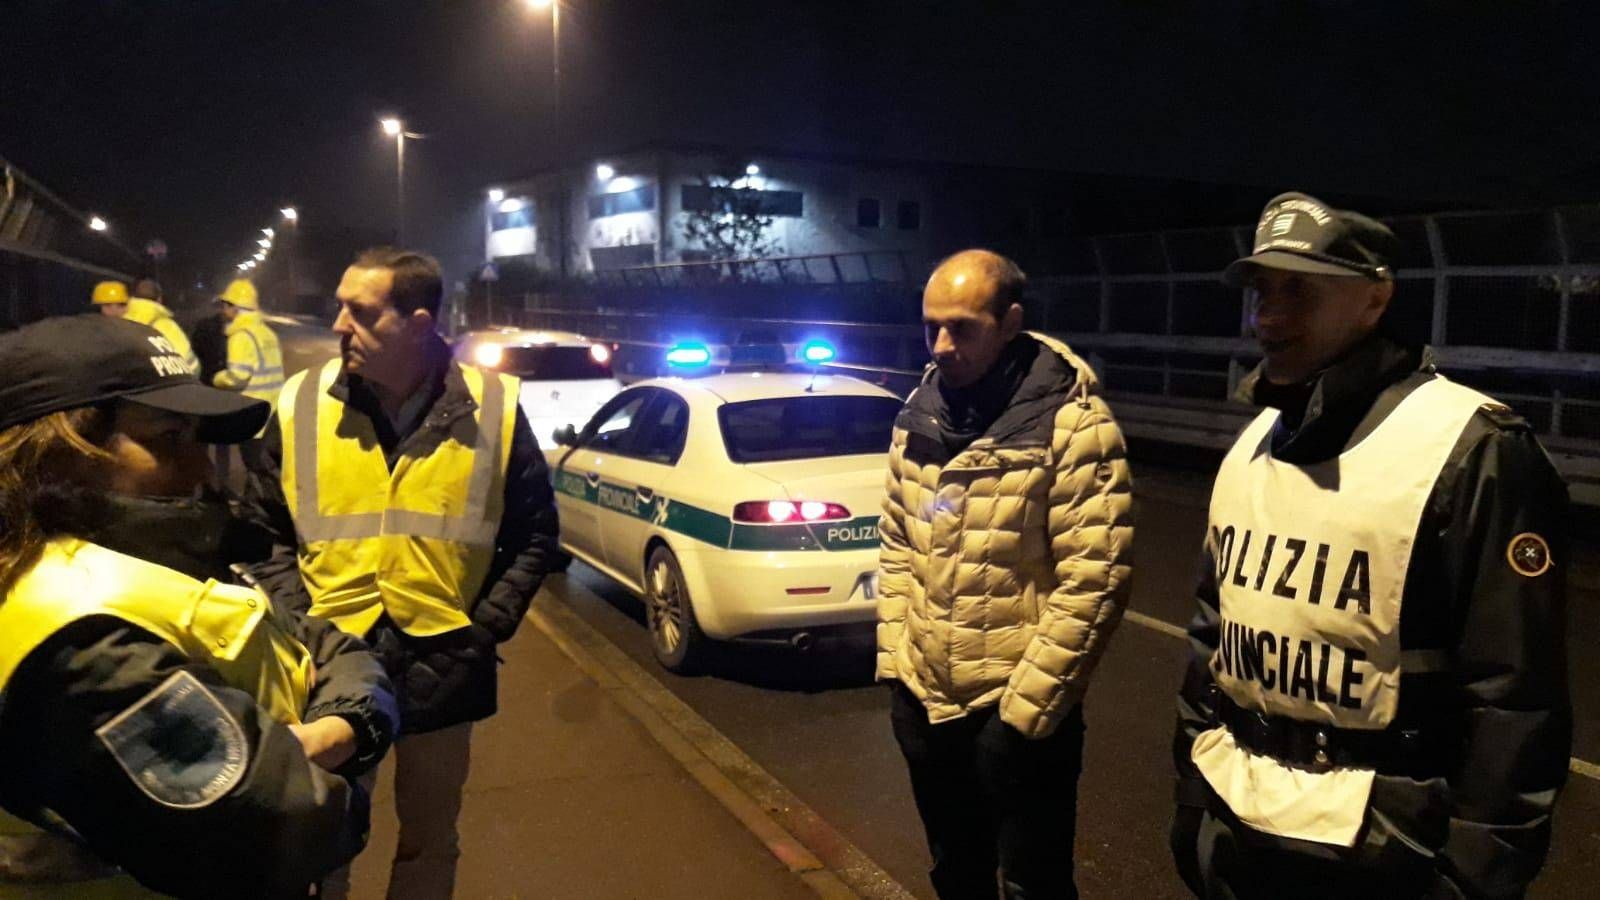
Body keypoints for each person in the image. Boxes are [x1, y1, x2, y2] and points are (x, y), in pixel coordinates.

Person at [1170, 193, 1571, 899]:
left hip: (1380, 851)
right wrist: (1193, 800)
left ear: (1375, 298)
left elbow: (1513, 698)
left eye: (1300, 289)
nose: (1270, 314)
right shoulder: (1251, 444)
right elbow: (1212, 636)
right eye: (1263, 290)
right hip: (1234, 826)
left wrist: (1471, 877)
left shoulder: (1470, 449)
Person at [0, 315, 398, 898]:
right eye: (168, 440)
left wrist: (338, 728)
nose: (203, 467)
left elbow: (321, 639)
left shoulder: (144, 553)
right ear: (60, 453)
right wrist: (350, 773)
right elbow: (293, 826)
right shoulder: (82, 636)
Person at [243, 247, 560, 899]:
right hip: (327, 665)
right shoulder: (302, 402)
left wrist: (485, 629)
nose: (339, 324)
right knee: (319, 839)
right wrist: (299, 628)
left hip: (442, 664)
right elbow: (260, 531)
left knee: (429, 840)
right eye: (340, 307)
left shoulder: (493, 405)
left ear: (418, 324)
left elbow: (534, 533)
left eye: (360, 312)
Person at [876, 249, 1135, 899]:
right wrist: (898, 675)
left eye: (961, 328)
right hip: (927, 703)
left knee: (1032, 884)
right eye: (931, 327)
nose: (941, 346)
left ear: (1011, 323)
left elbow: (1096, 579)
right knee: (955, 873)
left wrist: (1020, 718)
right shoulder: (919, 415)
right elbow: (899, 545)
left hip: (1018, 715)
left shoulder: (1071, 422)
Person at [211, 278, 284, 475]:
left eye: (225, 305)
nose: (223, 310)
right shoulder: (268, 333)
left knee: (255, 467)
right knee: (270, 468)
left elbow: (238, 377)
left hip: (253, 416)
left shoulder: (240, 336)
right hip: (274, 413)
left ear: (235, 307)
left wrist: (217, 378)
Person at [92, 278, 201, 375]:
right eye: (107, 306)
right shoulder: (165, 324)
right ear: (159, 299)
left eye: (120, 305)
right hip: (177, 381)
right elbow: (191, 365)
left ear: (131, 300)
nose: (113, 311)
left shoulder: (123, 325)